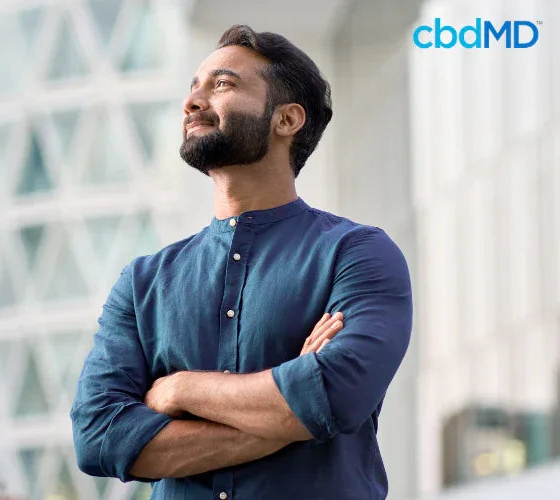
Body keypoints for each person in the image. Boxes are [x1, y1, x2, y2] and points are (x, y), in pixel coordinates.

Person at [70, 24, 412, 499]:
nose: (193, 101)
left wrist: (181, 390)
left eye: (222, 84)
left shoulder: (358, 253)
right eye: (194, 86)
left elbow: (337, 392)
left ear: (287, 120)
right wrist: (290, 407)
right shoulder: (143, 282)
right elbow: (98, 437)